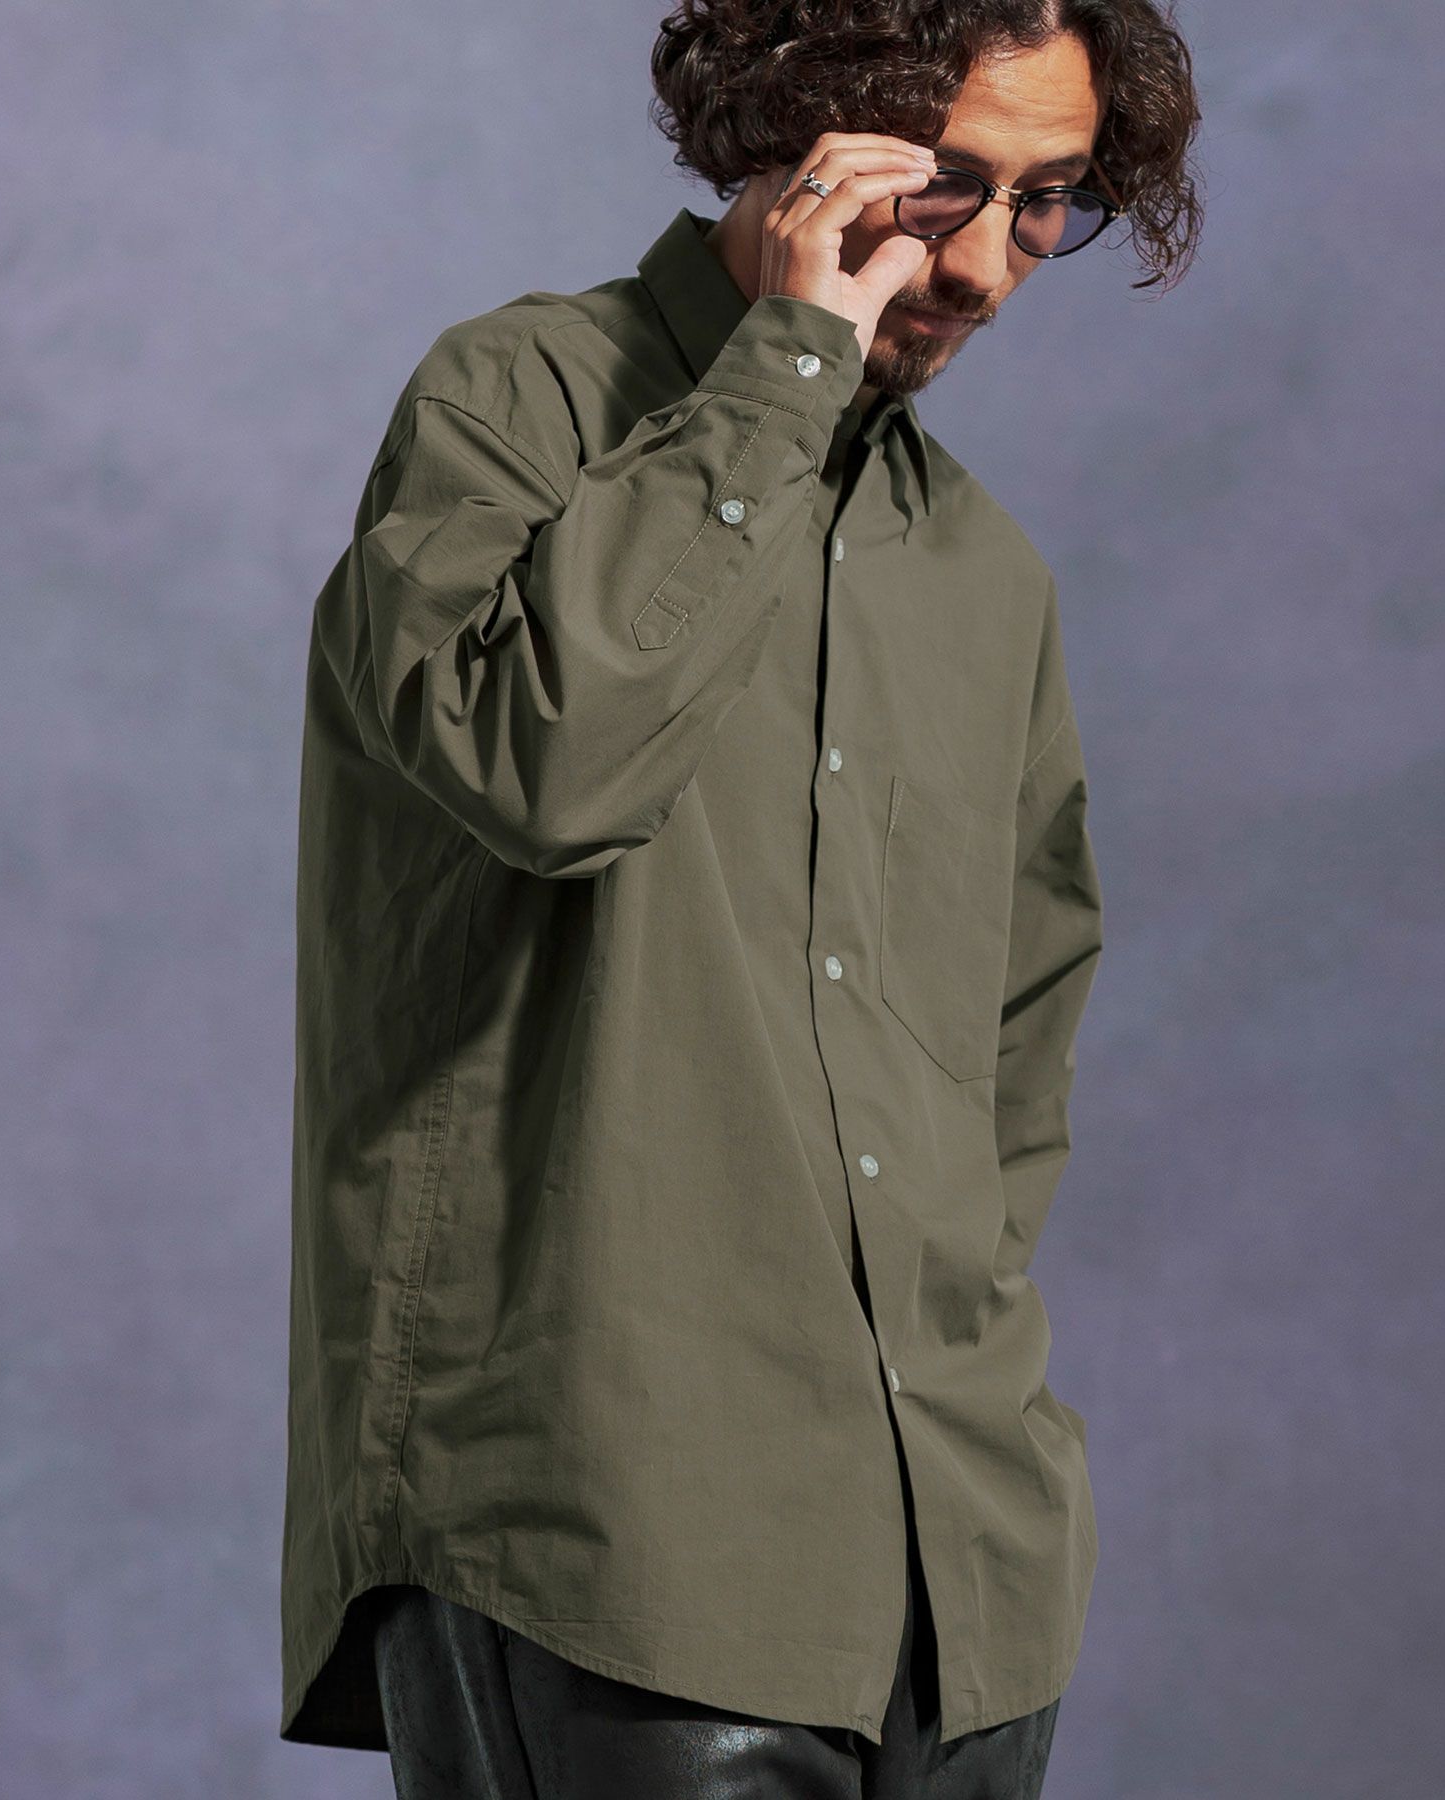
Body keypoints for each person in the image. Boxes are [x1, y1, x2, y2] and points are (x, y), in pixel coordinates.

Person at [278, 3, 1203, 1794]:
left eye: (1048, 201)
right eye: (950, 186)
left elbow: (1014, 1053)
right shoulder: (514, 400)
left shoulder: (985, 570)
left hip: (963, 1584)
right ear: (801, 133)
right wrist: (785, 366)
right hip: (613, 1547)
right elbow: (543, 770)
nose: (989, 267)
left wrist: (984, 1412)